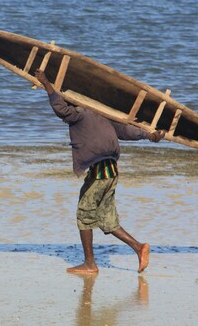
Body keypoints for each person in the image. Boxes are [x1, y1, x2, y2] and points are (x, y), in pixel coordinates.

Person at [35, 69, 165, 274]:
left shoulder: (78, 113)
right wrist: (149, 136)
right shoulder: (102, 112)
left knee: (84, 214)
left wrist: (47, 85)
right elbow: (125, 130)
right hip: (111, 172)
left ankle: (90, 264)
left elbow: (60, 108)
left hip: (100, 172)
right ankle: (139, 248)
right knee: (106, 218)